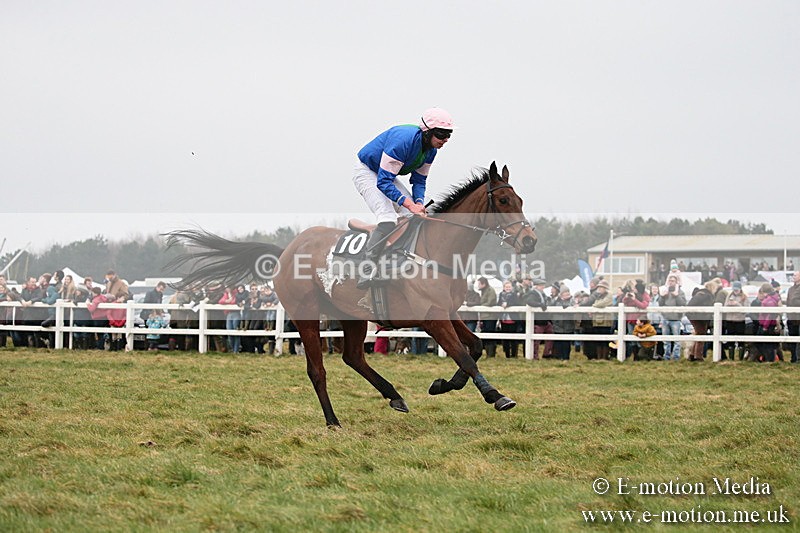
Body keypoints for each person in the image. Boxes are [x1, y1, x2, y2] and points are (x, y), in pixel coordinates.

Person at [353, 107, 454, 288]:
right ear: (427, 132)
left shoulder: (431, 150)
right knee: (387, 218)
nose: (444, 140)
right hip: (368, 172)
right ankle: (366, 269)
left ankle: (398, 260)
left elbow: (419, 180)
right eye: (441, 135)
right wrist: (409, 204)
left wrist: (418, 203)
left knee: (413, 217)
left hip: (386, 175)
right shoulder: (403, 141)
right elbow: (383, 183)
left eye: (448, 135)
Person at [686, 278, 724, 362]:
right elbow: (692, 305)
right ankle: (698, 355)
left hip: (698, 317)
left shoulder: (702, 294)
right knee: (701, 335)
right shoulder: (704, 295)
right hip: (699, 318)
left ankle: (692, 354)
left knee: (698, 334)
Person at [521, 278, 554, 359]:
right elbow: (530, 302)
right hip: (538, 320)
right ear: (536, 286)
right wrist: (540, 304)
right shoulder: (533, 294)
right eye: (541, 285)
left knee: (551, 335)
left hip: (545, 320)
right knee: (536, 340)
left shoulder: (542, 294)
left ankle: (546, 353)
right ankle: (534, 356)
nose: (543, 287)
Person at [657, 274, 686, 361]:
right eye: (669, 281)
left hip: (675, 319)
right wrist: (662, 296)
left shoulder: (681, 292)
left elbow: (682, 303)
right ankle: (667, 356)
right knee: (666, 340)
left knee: (676, 339)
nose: (671, 282)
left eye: (673, 281)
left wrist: (676, 296)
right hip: (665, 318)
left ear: (676, 282)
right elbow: (660, 303)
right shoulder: (664, 291)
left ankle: (676, 357)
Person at [754, 283, 782, 362]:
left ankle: (769, 360)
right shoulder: (774, 298)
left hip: (767, 325)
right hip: (769, 324)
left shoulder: (769, 300)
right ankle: (768, 359)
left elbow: (770, 315)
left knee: (766, 344)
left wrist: (765, 326)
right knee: (768, 344)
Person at [723, 281, 750, 361]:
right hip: (730, 320)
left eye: (737, 289)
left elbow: (746, 310)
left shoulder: (744, 297)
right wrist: (729, 304)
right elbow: (724, 307)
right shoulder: (729, 296)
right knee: (730, 339)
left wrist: (737, 304)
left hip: (739, 320)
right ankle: (731, 358)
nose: (735, 291)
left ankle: (740, 358)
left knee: (740, 339)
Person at [497, 280, 521, 358]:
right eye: (506, 287)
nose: (508, 288)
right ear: (504, 287)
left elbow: (517, 303)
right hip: (504, 319)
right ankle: (507, 355)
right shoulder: (501, 294)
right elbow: (498, 303)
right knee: (505, 338)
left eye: (509, 287)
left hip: (512, 319)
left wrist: (508, 305)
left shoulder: (514, 295)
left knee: (513, 338)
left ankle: (514, 354)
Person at [551, 285, 575, 360]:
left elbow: (572, 307)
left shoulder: (572, 300)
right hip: (558, 324)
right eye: (565, 292)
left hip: (568, 324)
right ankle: (559, 357)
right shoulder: (556, 300)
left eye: (568, 292)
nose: (567, 294)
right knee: (558, 343)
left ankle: (566, 357)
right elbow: (553, 306)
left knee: (566, 343)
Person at [476, 277, 498, 357]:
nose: (478, 285)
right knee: (485, 333)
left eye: (479, 284)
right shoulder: (484, 291)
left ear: (483, 284)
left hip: (490, 316)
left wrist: (480, 306)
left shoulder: (490, 290)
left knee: (490, 333)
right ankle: (488, 353)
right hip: (485, 316)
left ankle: (491, 354)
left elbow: (490, 302)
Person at [787, 271, 800, 364]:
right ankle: (793, 358)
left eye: (795, 275)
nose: (793, 276)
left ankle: (798, 358)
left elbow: (794, 301)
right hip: (792, 317)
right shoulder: (791, 289)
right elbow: (789, 301)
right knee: (792, 338)